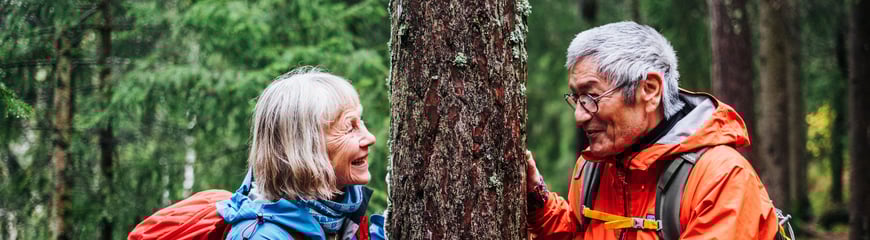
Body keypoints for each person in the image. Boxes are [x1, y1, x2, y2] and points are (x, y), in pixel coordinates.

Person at [525, 21, 779, 239]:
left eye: (591, 96)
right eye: (577, 99)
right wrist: (537, 199)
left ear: (649, 90)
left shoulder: (721, 178)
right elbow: (578, 234)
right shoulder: (593, 168)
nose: (580, 116)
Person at [217, 68, 386, 240]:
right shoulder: (263, 236)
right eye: (349, 128)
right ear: (304, 148)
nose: (369, 138)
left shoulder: (336, 218)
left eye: (361, 121)